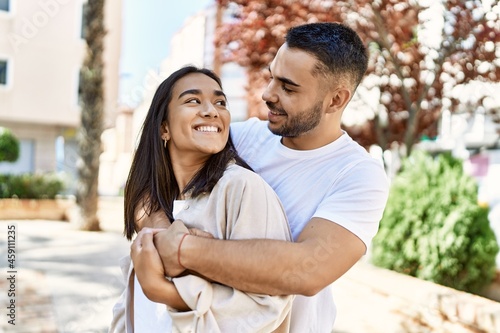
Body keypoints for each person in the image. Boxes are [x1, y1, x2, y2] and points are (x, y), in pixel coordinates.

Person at [148, 22, 390, 332]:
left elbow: (306, 270)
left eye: (288, 87)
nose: (268, 94)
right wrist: (160, 234)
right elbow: (149, 170)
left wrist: (182, 249)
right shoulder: (244, 137)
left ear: (336, 100)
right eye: (271, 77)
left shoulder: (358, 175)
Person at [109, 66, 293, 333]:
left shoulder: (241, 187)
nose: (211, 110)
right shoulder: (158, 203)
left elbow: (266, 310)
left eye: (220, 102)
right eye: (193, 100)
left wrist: (167, 291)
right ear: (164, 128)